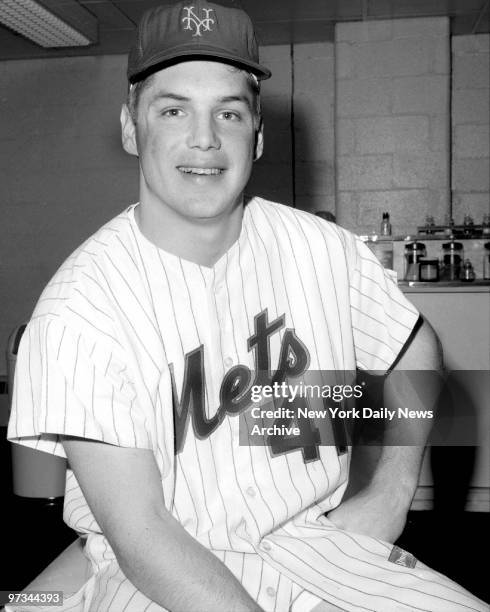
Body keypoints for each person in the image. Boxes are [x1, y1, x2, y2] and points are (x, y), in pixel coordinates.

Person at [7, 1, 487, 611]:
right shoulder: (78, 310)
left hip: (320, 548)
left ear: (257, 136)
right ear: (131, 128)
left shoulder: (322, 249)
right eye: (173, 109)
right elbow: (143, 534)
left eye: (228, 113)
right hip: (162, 577)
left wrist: (391, 491)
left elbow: (414, 346)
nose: (204, 139)